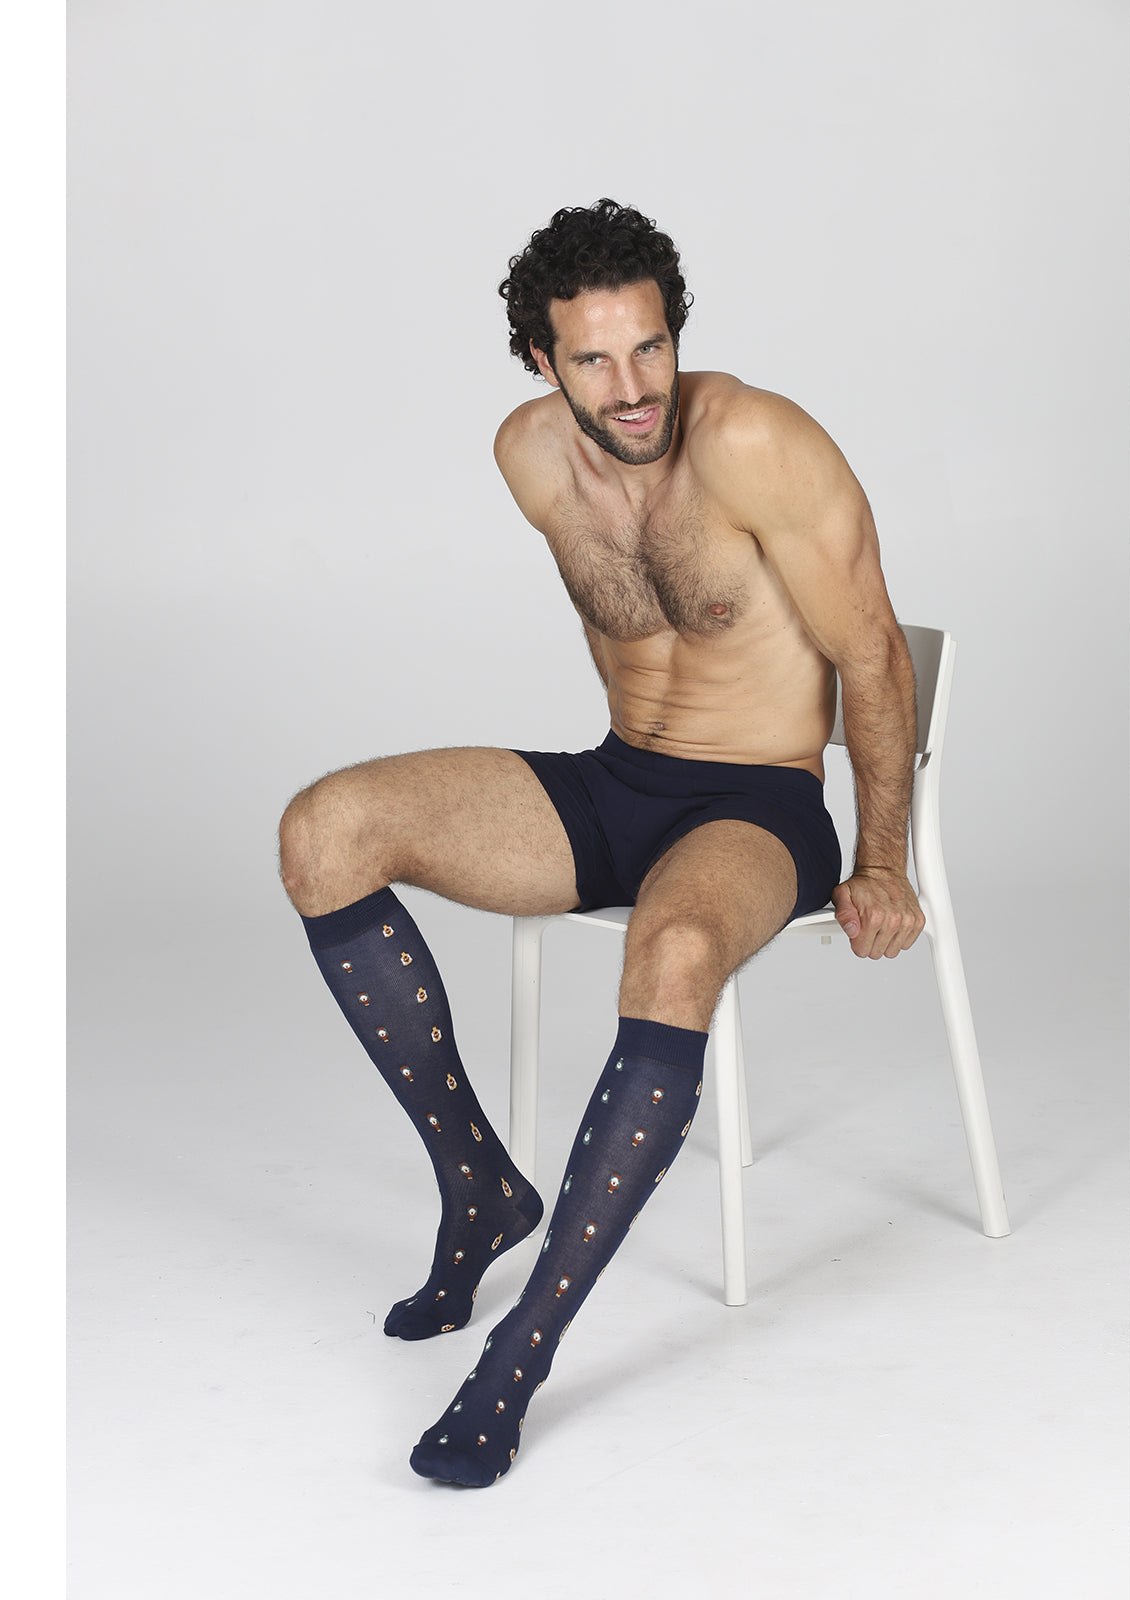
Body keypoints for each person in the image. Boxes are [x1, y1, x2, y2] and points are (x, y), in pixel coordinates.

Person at [278, 198, 925, 1487]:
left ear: (676, 332)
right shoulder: (528, 457)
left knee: (673, 953)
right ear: (542, 361)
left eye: (651, 347)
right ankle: (480, 1187)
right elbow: (629, 631)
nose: (633, 389)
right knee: (324, 829)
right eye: (594, 359)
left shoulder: (758, 442)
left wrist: (883, 862)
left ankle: (519, 1353)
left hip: (757, 803)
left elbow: (873, 653)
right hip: (620, 779)